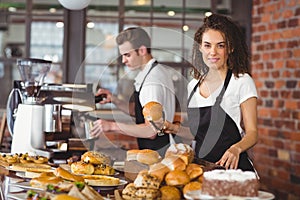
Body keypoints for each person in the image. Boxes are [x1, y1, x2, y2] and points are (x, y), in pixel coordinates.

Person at [163, 13, 258, 171]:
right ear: (200, 47)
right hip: (202, 169)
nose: (213, 52)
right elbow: (199, 134)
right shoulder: (193, 86)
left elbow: (252, 133)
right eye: (207, 45)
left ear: (230, 48)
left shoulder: (241, 81)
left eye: (220, 45)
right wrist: (173, 128)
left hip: (233, 169)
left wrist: (236, 149)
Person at [91, 27, 176, 155]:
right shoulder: (153, 71)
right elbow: (141, 112)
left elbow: (151, 130)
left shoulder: (151, 82)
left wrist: (111, 126)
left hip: (160, 153)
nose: (123, 60)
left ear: (142, 50)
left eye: (127, 55)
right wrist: (115, 100)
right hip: (155, 151)